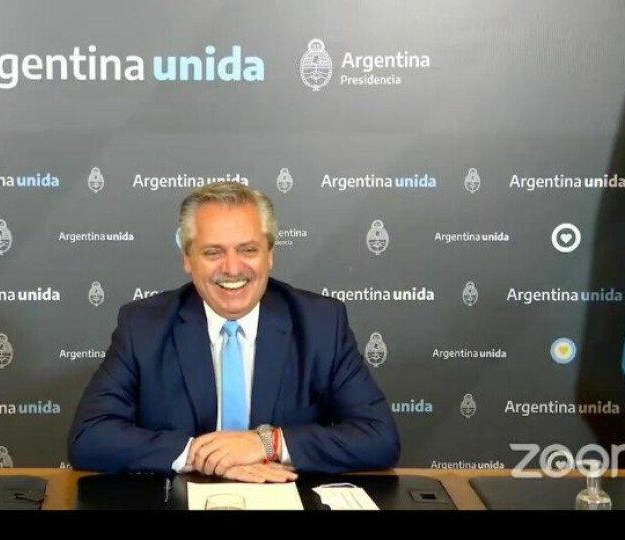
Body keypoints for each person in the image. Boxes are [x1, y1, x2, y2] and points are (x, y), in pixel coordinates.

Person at [68, 181, 399, 482]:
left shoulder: (321, 323)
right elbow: (89, 437)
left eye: (248, 250)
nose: (232, 268)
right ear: (187, 258)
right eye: (213, 252)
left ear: (269, 255)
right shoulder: (143, 326)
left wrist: (267, 443)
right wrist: (203, 455)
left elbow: (379, 437)